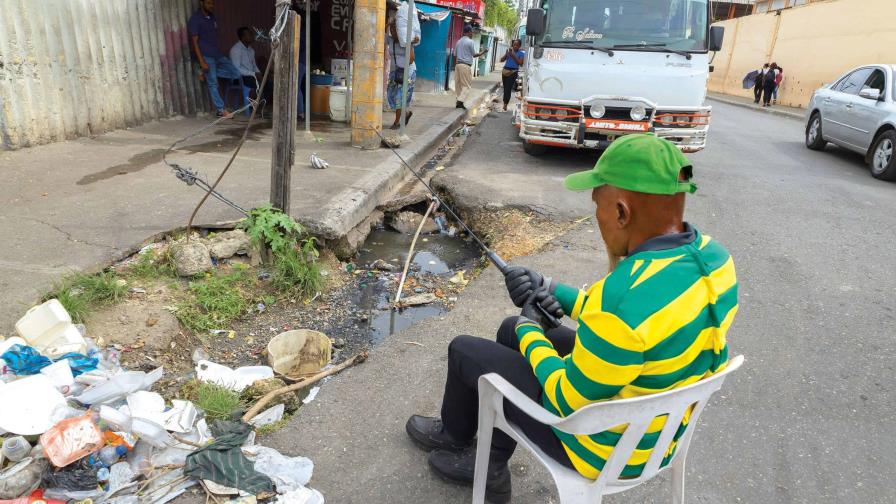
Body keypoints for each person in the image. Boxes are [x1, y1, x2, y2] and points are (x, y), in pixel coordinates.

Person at [405, 133, 738, 504]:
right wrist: (547, 287)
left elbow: (564, 398)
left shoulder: (625, 297)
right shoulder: (714, 259)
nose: (596, 215)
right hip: (657, 427)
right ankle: (489, 460)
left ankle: (457, 438)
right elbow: (624, 319)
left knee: (466, 349)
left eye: (597, 203)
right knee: (508, 331)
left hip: (601, 447)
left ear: (622, 213)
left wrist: (531, 328)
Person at [188, 0, 243, 117]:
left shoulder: (212, 17)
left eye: (212, 3)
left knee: (236, 73)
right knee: (213, 83)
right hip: (206, 55)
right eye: (208, 3)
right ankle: (220, 110)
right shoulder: (195, 19)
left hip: (217, 54)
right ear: (201, 2)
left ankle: (206, 72)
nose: (211, 6)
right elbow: (194, 43)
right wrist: (202, 61)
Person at [386, 4, 419, 129]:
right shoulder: (389, 40)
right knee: (390, 95)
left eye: (396, 29)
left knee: (400, 96)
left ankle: (397, 122)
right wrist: (389, 24)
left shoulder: (406, 41)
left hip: (407, 71)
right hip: (394, 71)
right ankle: (405, 112)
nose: (394, 31)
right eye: (393, 29)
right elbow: (379, 36)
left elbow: (411, 60)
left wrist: (409, 44)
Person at [229, 27, 270, 115]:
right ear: (243, 37)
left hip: (251, 76)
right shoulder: (236, 50)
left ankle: (260, 107)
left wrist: (258, 73)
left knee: (268, 82)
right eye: (249, 34)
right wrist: (254, 74)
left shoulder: (251, 50)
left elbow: (254, 65)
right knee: (259, 83)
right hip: (240, 77)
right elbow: (237, 68)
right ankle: (255, 107)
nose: (252, 36)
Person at [454, 25, 488, 110]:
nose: (472, 33)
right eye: (471, 32)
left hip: (458, 65)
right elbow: (474, 54)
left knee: (458, 85)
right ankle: (460, 101)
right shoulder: (470, 42)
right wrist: (484, 51)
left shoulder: (458, 41)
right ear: (468, 32)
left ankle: (459, 102)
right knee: (466, 86)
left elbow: (455, 55)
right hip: (465, 65)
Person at [500, 40, 525, 112]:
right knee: (505, 88)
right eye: (514, 45)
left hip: (513, 72)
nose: (515, 46)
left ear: (519, 46)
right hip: (505, 71)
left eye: (517, 45)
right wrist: (506, 54)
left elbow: (520, 63)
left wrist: (513, 55)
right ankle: (505, 102)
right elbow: (501, 60)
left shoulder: (521, 54)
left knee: (508, 88)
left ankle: (505, 104)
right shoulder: (509, 51)